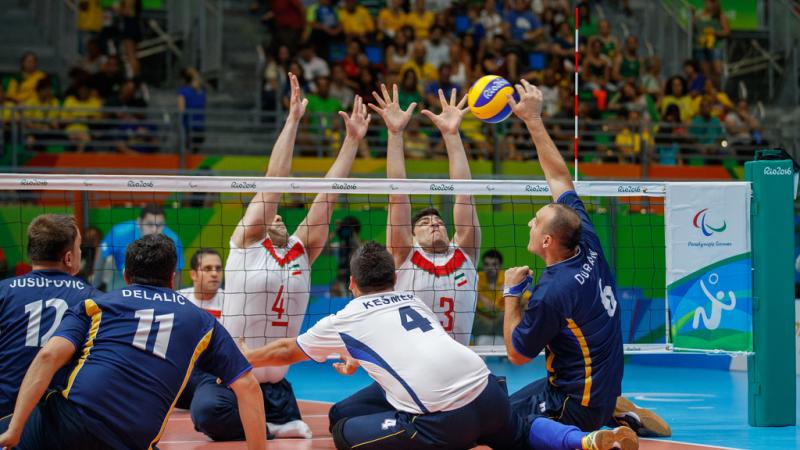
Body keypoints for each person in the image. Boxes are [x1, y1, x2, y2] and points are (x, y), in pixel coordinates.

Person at [236, 241, 638, 450]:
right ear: (393, 279)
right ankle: (582, 442)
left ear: (353, 284)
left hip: (445, 422)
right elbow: (399, 346)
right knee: (518, 432)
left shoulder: (348, 316)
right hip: (489, 393)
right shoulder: (412, 300)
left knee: (343, 433)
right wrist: (353, 358)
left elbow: (282, 351)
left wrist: (233, 357)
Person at [194, 73, 370, 442]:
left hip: (277, 385)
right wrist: (292, 121)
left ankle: (275, 421)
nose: (272, 215)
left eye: (278, 214)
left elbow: (328, 196)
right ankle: (273, 430)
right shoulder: (245, 243)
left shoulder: (301, 249)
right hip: (233, 379)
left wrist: (352, 141)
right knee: (208, 413)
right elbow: (274, 180)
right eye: (266, 213)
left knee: (334, 420)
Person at [500, 79, 671, 438]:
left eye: (536, 222)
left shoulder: (552, 291)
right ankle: (620, 413)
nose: (530, 222)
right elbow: (559, 175)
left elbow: (516, 355)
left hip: (574, 402)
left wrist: (511, 294)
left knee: (499, 427)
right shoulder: (584, 236)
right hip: (605, 389)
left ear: (547, 240)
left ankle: (588, 439)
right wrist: (533, 120)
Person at [0, 234, 266, 450]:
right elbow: (248, 387)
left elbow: (48, 357)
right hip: (133, 440)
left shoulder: (97, 304)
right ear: (173, 277)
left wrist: (15, 431)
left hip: (71, 423)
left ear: (126, 275)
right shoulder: (203, 321)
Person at [370, 85, 479, 346]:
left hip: (458, 365)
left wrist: (452, 135)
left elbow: (464, 194)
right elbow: (397, 195)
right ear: (411, 234)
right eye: (425, 222)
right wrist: (395, 134)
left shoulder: (464, 250)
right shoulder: (405, 254)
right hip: (412, 369)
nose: (435, 224)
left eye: (439, 221)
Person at [0, 215, 101, 418]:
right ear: (69, 257)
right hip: (60, 419)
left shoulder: (4, 291)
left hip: (5, 412)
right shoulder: (93, 299)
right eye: (79, 247)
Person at [96, 203, 185, 291]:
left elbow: (177, 271)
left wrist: (173, 294)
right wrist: (95, 286)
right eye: (150, 224)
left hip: (158, 283)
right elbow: (101, 254)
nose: (155, 229)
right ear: (139, 222)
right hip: (123, 279)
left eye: (160, 225)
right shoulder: (119, 233)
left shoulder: (173, 240)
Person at [179, 248, 224, 318]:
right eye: (207, 269)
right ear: (193, 274)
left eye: (218, 269)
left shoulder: (230, 301)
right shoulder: (179, 298)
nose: (214, 274)